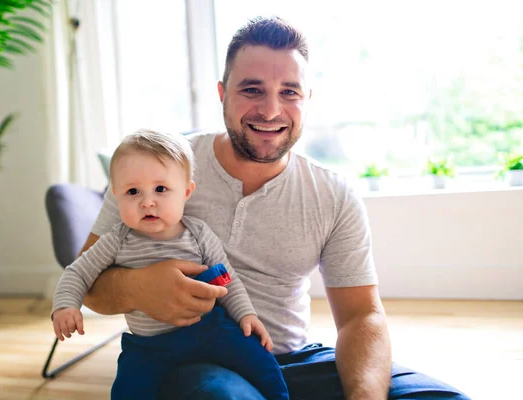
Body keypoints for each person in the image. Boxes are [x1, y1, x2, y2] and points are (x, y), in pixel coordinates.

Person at [80, 17, 470, 400]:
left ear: (307, 99)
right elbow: (89, 287)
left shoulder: (332, 194)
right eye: (252, 89)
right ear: (222, 93)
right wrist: (138, 286)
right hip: (196, 361)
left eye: (289, 92)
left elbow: (360, 316)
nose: (270, 110)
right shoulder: (156, 169)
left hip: (293, 359)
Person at [51, 130, 289, 399]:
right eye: (132, 192)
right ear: (116, 196)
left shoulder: (198, 233)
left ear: (186, 192)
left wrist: (247, 315)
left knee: (259, 359)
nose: (148, 201)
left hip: (210, 330)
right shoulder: (115, 241)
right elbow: (77, 272)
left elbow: (228, 278)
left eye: (161, 189)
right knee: (127, 390)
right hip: (149, 346)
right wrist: (66, 305)